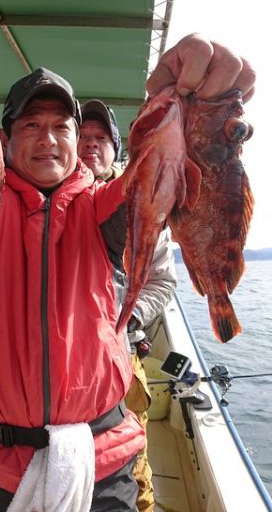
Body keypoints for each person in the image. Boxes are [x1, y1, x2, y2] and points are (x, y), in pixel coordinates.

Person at [0, 2, 256, 512]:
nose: (48, 138)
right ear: (3, 137)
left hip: (103, 463)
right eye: (30, 126)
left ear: (77, 141)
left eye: (62, 126)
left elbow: (175, 179)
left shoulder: (105, 208)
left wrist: (205, 104)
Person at [78, 99, 177, 511]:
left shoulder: (145, 200)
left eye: (101, 138)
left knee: (131, 455)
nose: (90, 145)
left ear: (115, 149)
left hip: (120, 354)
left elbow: (162, 281)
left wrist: (128, 316)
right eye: (82, 137)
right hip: (64, 364)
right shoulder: (53, 199)